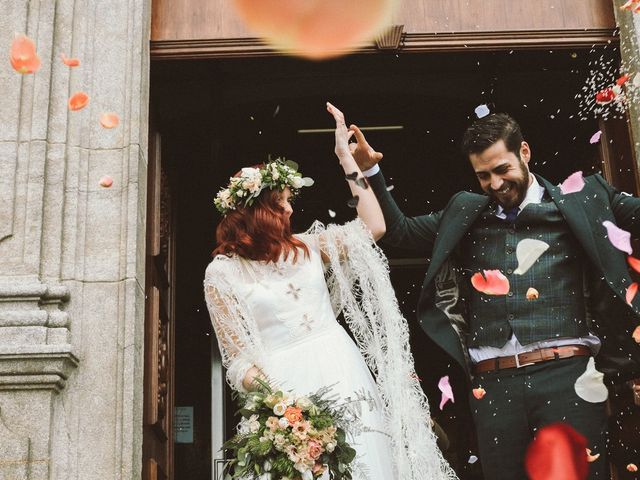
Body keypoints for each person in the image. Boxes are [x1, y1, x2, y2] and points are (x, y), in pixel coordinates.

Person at [349, 112, 640, 479]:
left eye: (502, 169)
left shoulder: (586, 195)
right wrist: (367, 173)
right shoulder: (465, 211)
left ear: (525, 151)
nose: (496, 183)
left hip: (569, 376)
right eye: (483, 176)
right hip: (494, 384)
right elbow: (400, 233)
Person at [203, 103, 457, 479]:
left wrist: (347, 160)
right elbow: (237, 359)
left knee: (363, 461)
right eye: (283, 202)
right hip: (282, 384)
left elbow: (373, 226)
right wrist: (279, 403)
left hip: (340, 367)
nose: (290, 209)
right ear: (259, 212)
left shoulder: (309, 247)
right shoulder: (222, 274)